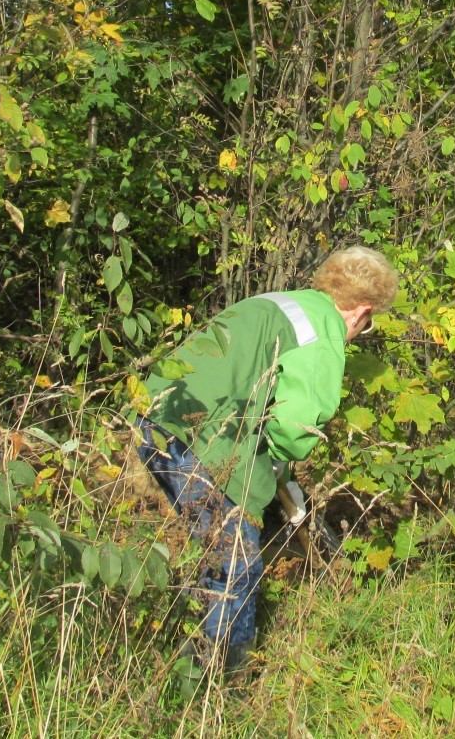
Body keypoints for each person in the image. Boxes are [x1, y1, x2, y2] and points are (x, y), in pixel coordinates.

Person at [133, 246, 399, 687]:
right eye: (367, 325)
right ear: (361, 312)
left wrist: (276, 481)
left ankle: (188, 665)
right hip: (205, 440)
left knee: (218, 554)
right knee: (235, 564)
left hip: (155, 417)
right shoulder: (324, 331)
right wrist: (276, 470)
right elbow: (295, 429)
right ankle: (217, 688)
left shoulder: (275, 302)